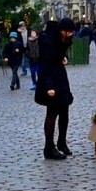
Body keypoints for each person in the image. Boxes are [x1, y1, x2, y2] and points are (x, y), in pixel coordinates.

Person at [35, 17, 76, 160]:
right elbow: (44, 64)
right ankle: (49, 147)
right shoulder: (47, 40)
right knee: (52, 113)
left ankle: (61, 142)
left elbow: (59, 53)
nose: (71, 35)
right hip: (51, 79)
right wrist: (49, 86)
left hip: (59, 77)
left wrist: (63, 56)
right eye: (69, 32)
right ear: (62, 31)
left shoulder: (59, 40)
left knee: (64, 110)